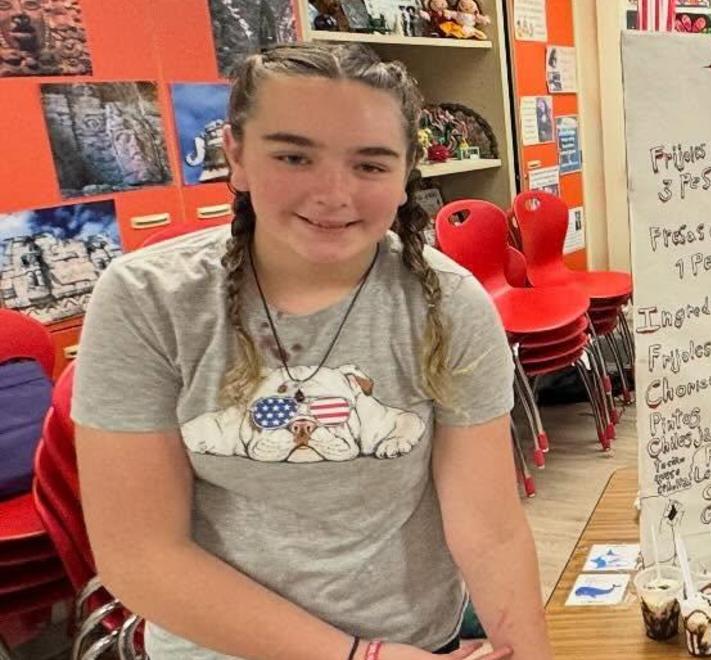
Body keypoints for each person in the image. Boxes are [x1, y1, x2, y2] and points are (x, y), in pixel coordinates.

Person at [70, 43, 551, 659]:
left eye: (371, 166)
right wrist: (356, 657)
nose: (332, 193)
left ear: (407, 176)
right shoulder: (149, 300)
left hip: (417, 639)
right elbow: (141, 553)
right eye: (294, 156)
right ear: (237, 158)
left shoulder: (448, 303)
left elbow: (489, 529)